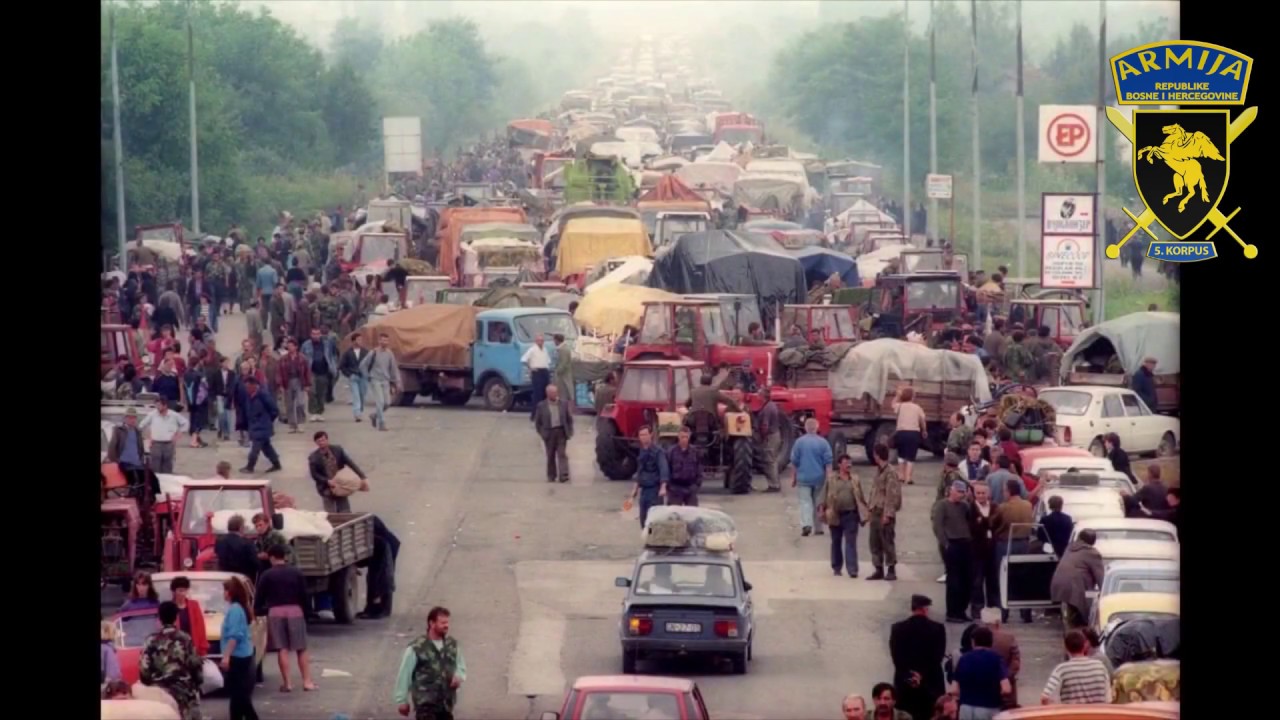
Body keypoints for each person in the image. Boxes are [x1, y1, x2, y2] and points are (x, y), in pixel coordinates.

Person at [256, 544, 318, 692]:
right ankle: (307, 682)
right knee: (301, 648)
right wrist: (307, 612)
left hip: (275, 613)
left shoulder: (267, 575)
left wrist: (261, 610)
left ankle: (288, 683)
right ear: (284, 557)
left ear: (271, 557)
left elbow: (259, 599)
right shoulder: (296, 573)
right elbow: (304, 594)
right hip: (295, 611)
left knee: (282, 648)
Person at [394, 606, 467, 720]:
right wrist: (402, 700)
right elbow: (405, 674)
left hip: (446, 705)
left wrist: (459, 676)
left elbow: (461, 666)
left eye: (447, 622)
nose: (446, 626)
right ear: (431, 623)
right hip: (425, 705)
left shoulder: (452, 645)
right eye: (442, 623)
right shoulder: (417, 647)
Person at [140, 601, 204, 720]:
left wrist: (150, 684)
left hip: (159, 694)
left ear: (159, 618)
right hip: (184, 692)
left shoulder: (151, 640)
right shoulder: (185, 638)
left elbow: (144, 671)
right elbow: (195, 665)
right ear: (176, 617)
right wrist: (196, 683)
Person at [889, 595, 947, 720]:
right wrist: (922, 675)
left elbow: (896, 657)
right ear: (925, 609)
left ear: (912, 608)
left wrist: (910, 675)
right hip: (930, 682)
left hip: (905, 683)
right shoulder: (937, 628)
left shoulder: (897, 628)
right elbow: (938, 657)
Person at [991, 478, 1035, 623]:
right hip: (1024, 544)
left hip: (1006, 544)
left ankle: (1003, 612)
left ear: (1009, 492)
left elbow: (993, 523)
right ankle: (1026, 613)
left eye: (1004, 490)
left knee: (1003, 578)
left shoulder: (1003, 507)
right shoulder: (1028, 505)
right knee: (1024, 579)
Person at [960, 608, 1021, 708]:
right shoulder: (1009, 638)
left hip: (978, 693)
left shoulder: (975, 638)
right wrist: (1005, 677)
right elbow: (1015, 663)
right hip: (1005, 691)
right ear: (998, 623)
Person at [218, 576, 260, 720]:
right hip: (242, 655)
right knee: (238, 696)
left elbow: (235, 635)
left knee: (239, 696)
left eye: (225, 590)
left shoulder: (235, 610)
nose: (223, 594)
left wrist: (226, 656)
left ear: (230, 592)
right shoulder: (238, 608)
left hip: (238, 657)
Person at [822, 454, 869, 577]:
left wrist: (866, 511)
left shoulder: (855, 479)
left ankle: (852, 569)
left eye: (850, 462)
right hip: (835, 515)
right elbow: (824, 495)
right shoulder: (831, 479)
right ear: (839, 465)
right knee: (836, 541)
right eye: (846, 462)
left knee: (851, 542)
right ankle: (837, 567)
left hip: (851, 515)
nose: (849, 465)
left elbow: (861, 497)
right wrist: (822, 510)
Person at [949, 626, 1011, 719]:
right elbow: (1006, 689)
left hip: (965, 709)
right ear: (991, 641)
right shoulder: (996, 659)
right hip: (989, 707)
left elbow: (954, 689)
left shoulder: (963, 659)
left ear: (973, 642)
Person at [1050, 529, 1105, 629]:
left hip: (1059, 584)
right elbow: (1101, 577)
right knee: (1080, 614)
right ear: (1093, 541)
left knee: (1070, 614)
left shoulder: (1070, 548)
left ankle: (1070, 630)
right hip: (1075, 586)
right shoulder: (1092, 553)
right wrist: (1106, 592)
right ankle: (1074, 635)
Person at [936, 480, 974, 622]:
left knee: (967, 579)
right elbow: (938, 526)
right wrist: (945, 543)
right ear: (951, 491)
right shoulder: (943, 505)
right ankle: (952, 612)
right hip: (952, 543)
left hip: (966, 543)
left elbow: (971, 519)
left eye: (963, 492)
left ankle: (962, 610)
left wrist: (970, 501)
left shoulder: (964, 506)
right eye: (959, 492)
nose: (961, 495)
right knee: (954, 580)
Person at [1041, 630, 1111, 705]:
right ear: (1085, 645)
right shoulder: (1100, 666)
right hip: (1098, 715)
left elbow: (1045, 697)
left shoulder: (1062, 669)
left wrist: (1058, 709)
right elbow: (1109, 698)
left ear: (1065, 647)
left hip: (1073, 715)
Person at [790, 417, 833, 536]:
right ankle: (818, 528)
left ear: (805, 428)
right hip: (819, 478)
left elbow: (794, 462)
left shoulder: (799, 442)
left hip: (803, 478)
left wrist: (794, 477)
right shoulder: (823, 442)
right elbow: (828, 463)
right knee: (818, 502)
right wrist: (829, 478)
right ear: (817, 428)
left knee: (805, 502)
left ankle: (806, 525)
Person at [309, 431, 369, 512]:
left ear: (327, 440)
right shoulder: (313, 458)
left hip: (341, 485)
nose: (321, 443)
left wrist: (362, 477)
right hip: (326, 488)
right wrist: (327, 481)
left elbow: (350, 463)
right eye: (319, 441)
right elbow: (314, 474)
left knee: (345, 511)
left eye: (323, 440)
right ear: (316, 443)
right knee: (330, 514)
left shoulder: (337, 450)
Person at [867, 443, 903, 580]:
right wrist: (870, 509)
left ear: (877, 455)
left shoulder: (890, 473)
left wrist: (888, 514)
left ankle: (891, 569)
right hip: (876, 511)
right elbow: (875, 492)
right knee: (874, 542)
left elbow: (891, 495)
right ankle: (878, 569)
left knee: (887, 541)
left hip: (884, 512)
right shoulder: (879, 471)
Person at [967, 482, 1001, 619]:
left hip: (992, 550)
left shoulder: (995, 507)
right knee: (977, 581)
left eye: (983, 493)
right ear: (974, 494)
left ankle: (993, 609)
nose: (981, 496)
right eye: (978, 493)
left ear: (989, 494)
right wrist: (984, 522)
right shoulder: (970, 508)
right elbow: (972, 527)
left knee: (993, 581)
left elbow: (997, 524)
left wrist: (983, 521)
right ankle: (977, 609)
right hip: (976, 550)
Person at [238, 376, 283, 474]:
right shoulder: (248, 397)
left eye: (248, 387)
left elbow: (274, 410)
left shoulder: (263, 395)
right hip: (254, 426)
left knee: (255, 449)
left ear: (254, 385)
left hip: (262, 427)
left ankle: (250, 467)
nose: (247, 389)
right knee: (267, 447)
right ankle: (276, 464)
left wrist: (266, 421)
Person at [533, 384, 575, 483]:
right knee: (550, 455)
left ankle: (564, 475)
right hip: (549, 433)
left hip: (561, 432)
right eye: (553, 393)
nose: (555, 394)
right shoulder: (541, 406)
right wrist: (543, 433)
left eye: (556, 392)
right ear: (547, 394)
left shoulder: (563, 404)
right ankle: (551, 475)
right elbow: (538, 422)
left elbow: (569, 419)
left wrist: (570, 431)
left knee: (562, 454)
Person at [629, 426, 669, 527]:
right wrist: (635, 488)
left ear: (650, 435)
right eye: (641, 435)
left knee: (654, 521)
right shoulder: (642, 451)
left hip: (655, 491)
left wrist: (663, 487)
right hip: (644, 491)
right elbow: (640, 470)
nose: (643, 437)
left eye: (645, 434)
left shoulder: (658, 452)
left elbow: (663, 468)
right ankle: (647, 539)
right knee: (643, 519)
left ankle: (653, 541)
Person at [361, 332, 401, 431]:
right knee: (380, 402)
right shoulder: (373, 352)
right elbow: (363, 365)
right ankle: (382, 424)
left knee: (387, 403)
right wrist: (367, 376)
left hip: (385, 381)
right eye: (382, 340)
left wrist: (397, 381)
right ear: (379, 341)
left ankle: (374, 415)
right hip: (375, 380)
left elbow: (393, 368)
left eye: (386, 340)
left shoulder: (389, 353)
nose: (384, 342)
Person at [140, 398, 189, 474]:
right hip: (156, 444)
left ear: (165, 405)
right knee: (155, 466)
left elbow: (185, 423)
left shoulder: (174, 415)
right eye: (156, 405)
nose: (157, 407)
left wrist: (179, 433)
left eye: (159, 405)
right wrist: (147, 437)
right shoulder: (152, 415)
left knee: (168, 465)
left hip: (169, 444)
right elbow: (141, 425)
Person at [107, 407, 150, 493]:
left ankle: (142, 500)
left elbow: (140, 447)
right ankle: (132, 498)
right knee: (133, 480)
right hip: (124, 462)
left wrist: (141, 459)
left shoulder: (137, 431)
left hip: (137, 462)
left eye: (134, 417)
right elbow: (112, 447)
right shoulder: (118, 430)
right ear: (125, 418)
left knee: (145, 481)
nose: (132, 420)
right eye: (130, 417)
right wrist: (115, 461)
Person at [300, 327, 337, 422]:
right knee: (311, 392)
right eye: (313, 334)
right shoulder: (306, 345)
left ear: (320, 334)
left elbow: (332, 355)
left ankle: (319, 412)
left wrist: (333, 367)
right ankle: (313, 412)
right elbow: (301, 357)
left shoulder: (327, 344)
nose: (315, 336)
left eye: (317, 334)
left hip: (324, 371)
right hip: (311, 371)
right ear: (310, 334)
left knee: (321, 393)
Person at [893, 387, 928, 485]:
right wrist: (924, 431)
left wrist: (897, 395)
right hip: (913, 434)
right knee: (910, 456)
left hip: (901, 433)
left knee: (901, 455)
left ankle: (901, 476)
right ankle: (908, 478)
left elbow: (892, 404)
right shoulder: (917, 407)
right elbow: (922, 420)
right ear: (912, 397)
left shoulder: (899, 406)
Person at [169, 577, 209, 658]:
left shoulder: (194, 605)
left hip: (193, 650)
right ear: (174, 591)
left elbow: (201, 628)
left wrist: (203, 650)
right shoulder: (169, 607)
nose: (183, 593)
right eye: (180, 590)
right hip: (175, 651)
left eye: (185, 590)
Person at [216, 515, 263, 581]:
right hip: (243, 580)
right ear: (241, 528)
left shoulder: (219, 541)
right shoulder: (247, 543)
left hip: (225, 579)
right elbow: (255, 563)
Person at [664, 426, 702, 506]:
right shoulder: (671, 452)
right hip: (675, 488)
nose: (684, 439)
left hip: (690, 487)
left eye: (686, 437)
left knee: (692, 515)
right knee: (674, 515)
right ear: (678, 437)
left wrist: (697, 485)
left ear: (689, 437)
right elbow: (666, 470)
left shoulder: (695, 452)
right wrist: (669, 486)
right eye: (682, 437)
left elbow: (699, 469)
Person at [757, 387, 785, 492]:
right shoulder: (771, 405)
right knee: (772, 460)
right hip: (775, 434)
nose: (758, 397)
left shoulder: (767, 408)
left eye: (759, 394)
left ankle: (774, 485)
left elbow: (765, 426)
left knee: (770, 461)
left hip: (771, 436)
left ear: (763, 396)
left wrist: (762, 438)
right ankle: (774, 483)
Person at [340, 333, 372, 422]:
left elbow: (370, 364)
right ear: (353, 341)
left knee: (362, 395)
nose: (360, 341)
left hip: (363, 377)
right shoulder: (347, 353)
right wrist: (349, 374)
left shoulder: (366, 352)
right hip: (353, 376)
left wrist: (368, 374)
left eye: (361, 340)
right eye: (358, 340)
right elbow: (342, 366)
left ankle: (360, 411)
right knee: (356, 395)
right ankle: (357, 414)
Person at [522, 333, 553, 420]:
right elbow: (524, 359)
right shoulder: (532, 349)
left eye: (542, 340)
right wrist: (530, 368)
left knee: (545, 394)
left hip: (545, 371)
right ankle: (534, 415)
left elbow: (548, 361)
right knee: (537, 395)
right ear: (536, 341)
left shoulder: (545, 349)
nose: (541, 342)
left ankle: (544, 415)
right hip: (537, 372)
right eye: (539, 340)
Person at [551, 333, 576, 411]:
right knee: (562, 394)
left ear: (557, 340)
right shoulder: (563, 348)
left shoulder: (563, 349)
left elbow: (563, 363)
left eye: (554, 340)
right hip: (563, 376)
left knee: (563, 395)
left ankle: (564, 411)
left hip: (563, 377)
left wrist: (557, 372)